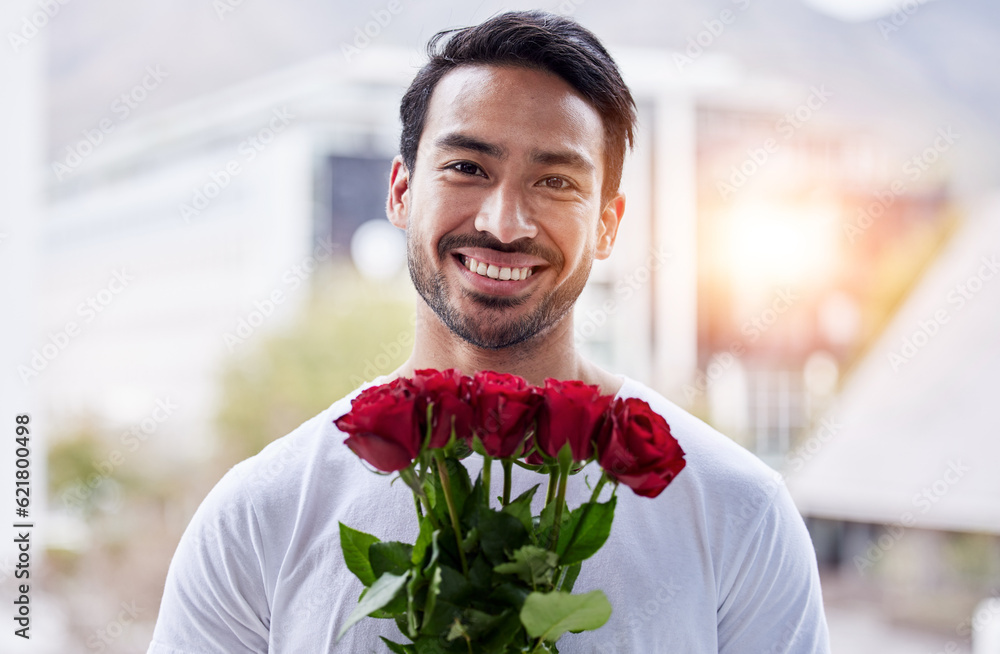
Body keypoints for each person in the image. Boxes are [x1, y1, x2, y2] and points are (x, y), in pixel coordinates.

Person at [148, 10, 830, 653]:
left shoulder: (739, 514)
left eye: (556, 181)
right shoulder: (261, 514)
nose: (505, 225)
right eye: (467, 168)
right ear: (401, 193)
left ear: (608, 225)